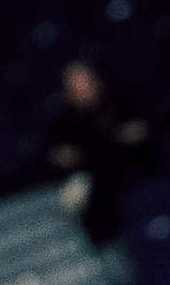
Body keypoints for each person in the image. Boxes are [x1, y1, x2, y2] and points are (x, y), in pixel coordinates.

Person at [44, 58, 155, 247]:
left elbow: (140, 131)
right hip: (95, 189)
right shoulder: (64, 120)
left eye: (84, 81)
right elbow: (59, 155)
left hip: (129, 175)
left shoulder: (119, 102)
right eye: (75, 85)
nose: (82, 88)